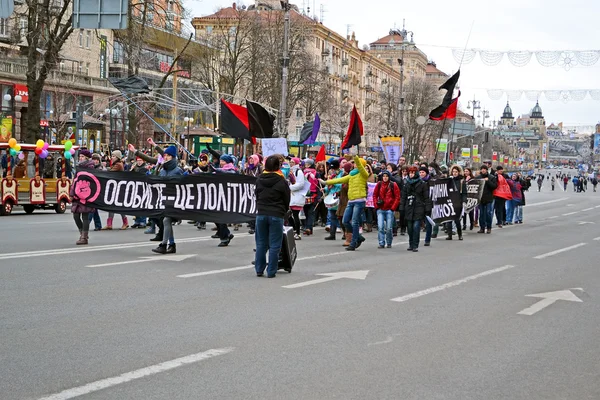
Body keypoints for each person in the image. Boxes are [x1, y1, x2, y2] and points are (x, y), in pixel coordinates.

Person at [254, 155, 291, 278]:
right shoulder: (282, 181)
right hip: (276, 214)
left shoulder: (259, 179)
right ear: (278, 166)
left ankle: (259, 269)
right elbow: (287, 199)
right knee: (275, 244)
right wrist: (284, 211)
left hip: (261, 213)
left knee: (260, 243)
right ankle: (271, 271)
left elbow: (257, 196)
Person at [322, 155, 369, 251]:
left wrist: (355, 156)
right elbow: (339, 180)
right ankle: (359, 237)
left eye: (356, 163)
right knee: (345, 221)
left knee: (355, 221)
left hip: (359, 201)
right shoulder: (352, 174)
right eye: (354, 163)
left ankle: (353, 242)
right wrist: (326, 182)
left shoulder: (364, 173)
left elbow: (360, 167)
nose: (354, 165)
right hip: (351, 201)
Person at [152, 146, 183, 254]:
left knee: (166, 220)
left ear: (173, 157)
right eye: (165, 155)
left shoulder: (177, 170)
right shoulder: (162, 170)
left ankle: (164, 245)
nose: (165, 157)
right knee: (166, 222)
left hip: (174, 201)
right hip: (164, 201)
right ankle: (172, 245)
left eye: (168, 155)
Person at [400, 166, 431, 252]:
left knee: (416, 226)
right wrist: (402, 207)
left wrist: (427, 208)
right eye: (410, 173)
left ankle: (415, 245)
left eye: (413, 173)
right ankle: (410, 243)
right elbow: (403, 197)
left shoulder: (423, 184)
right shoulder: (406, 184)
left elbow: (426, 198)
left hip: (419, 207)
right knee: (409, 227)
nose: (411, 174)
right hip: (409, 207)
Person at [71, 150, 95, 245]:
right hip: (77, 194)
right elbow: (75, 181)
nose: (80, 158)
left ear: (87, 158)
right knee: (76, 215)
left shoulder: (90, 168)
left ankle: (84, 237)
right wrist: (72, 193)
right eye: (80, 156)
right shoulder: (79, 167)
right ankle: (82, 233)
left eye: (82, 156)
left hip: (86, 195)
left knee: (85, 216)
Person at [102, 150, 129, 230]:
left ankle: (125, 222)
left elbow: (110, 171)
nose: (112, 158)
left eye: (113, 156)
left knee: (118, 206)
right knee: (111, 205)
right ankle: (109, 224)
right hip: (114, 187)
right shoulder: (116, 164)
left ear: (117, 157)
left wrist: (104, 168)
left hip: (118, 188)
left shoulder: (118, 165)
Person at [373, 170, 400, 248]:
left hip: (389, 209)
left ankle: (389, 242)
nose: (385, 178)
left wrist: (393, 208)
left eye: (386, 176)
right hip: (380, 209)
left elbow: (397, 197)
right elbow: (374, 195)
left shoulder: (393, 184)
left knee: (389, 228)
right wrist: (376, 206)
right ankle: (381, 242)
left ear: (389, 177)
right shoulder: (379, 184)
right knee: (380, 227)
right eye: (384, 176)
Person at [445, 165, 466, 240]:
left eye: (456, 172)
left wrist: (464, 201)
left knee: (457, 220)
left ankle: (460, 235)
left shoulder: (462, 181)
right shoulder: (449, 180)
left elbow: (464, 193)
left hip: (458, 202)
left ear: (459, 172)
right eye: (453, 172)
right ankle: (449, 235)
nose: (454, 173)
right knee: (449, 219)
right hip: (450, 201)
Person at [476, 165, 498, 234]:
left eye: (484, 169)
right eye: (482, 169)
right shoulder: (478, 178)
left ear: (486, 170)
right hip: (481, 198)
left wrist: (488, 181)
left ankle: (489, 227)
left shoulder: (491, 177)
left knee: (488, 213)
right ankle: (482, 228)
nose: (483, 170)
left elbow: (494, 186)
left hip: (489, 198)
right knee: (481, 214)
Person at [288, 157, 306, 241]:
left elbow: (301, 184)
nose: (291, 163)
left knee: (295, 215)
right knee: (288, 215)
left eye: (292, 162)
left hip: (297, 196)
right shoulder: (290, 171)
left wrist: (290, 187)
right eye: (290, 162)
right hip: (291, 196)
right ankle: (294, 230)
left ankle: (298, 233)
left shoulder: (299, 172)